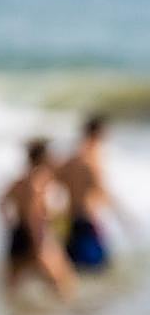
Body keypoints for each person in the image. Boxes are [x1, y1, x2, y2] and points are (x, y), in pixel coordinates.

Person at [0, 138, 76, 300]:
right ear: (43, 158)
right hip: (36, 234)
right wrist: (39, 241)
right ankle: (65, 314)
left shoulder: (20, 180)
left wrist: (10, 224)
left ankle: (18, 314)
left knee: (12, 288)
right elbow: (33, 214)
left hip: (18, 233)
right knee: (63, 283)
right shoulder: (38, 181)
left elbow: (1, 203)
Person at [58, 114, 121, 271]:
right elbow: (100, 188)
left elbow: (57, 178)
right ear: (98, 133)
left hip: (71, 218)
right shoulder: (93, 158)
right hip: (88, 219)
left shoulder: (73, 157)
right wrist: (124, 216)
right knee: (100, 269)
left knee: (74, 269)